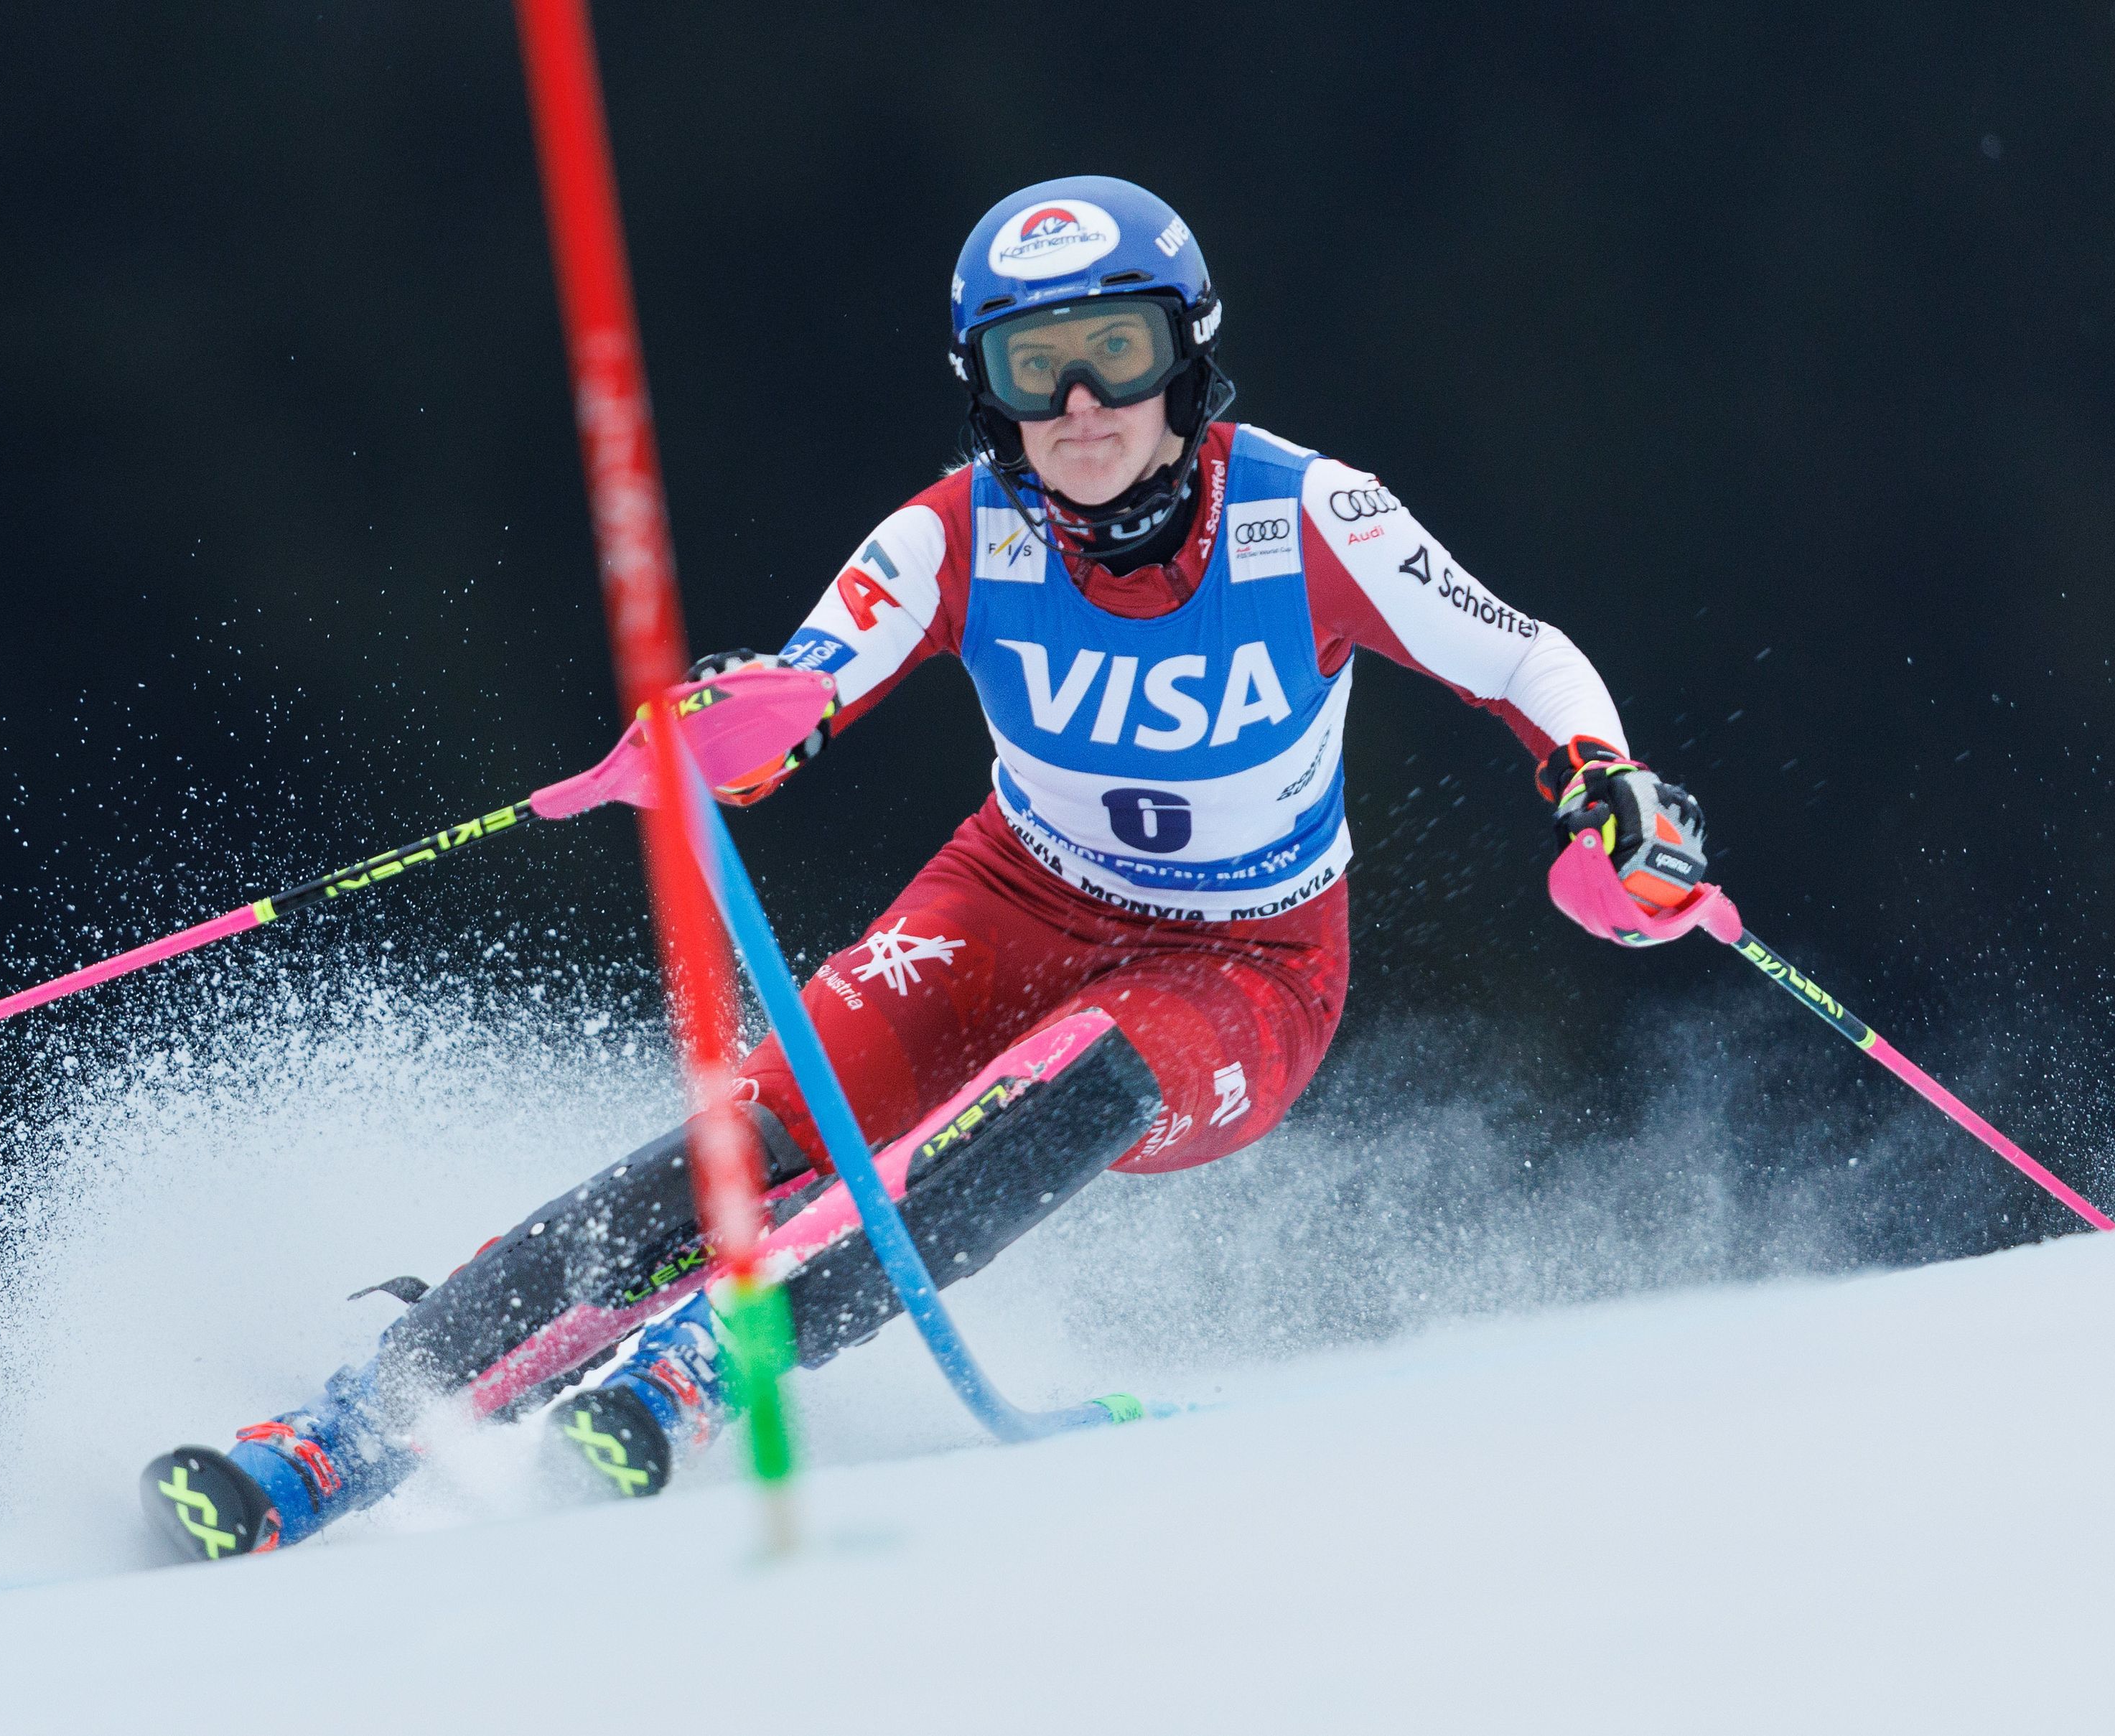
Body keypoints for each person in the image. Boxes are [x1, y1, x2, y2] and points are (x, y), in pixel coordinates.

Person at [140, 175, 1707, 1561]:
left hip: (1245, 969)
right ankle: (348, 1421)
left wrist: (1608, 791)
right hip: (1008, 906)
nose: (1084, 404)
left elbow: (1520, 655)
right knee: (763, 1133)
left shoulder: (1307, 517)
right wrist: (729, 727)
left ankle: (708, 1359)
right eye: (1038, 368)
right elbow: (810, 677)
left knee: (1068, 1078)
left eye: (1120, 352)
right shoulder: (961, 534)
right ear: (988, 391)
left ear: (1188, 357)